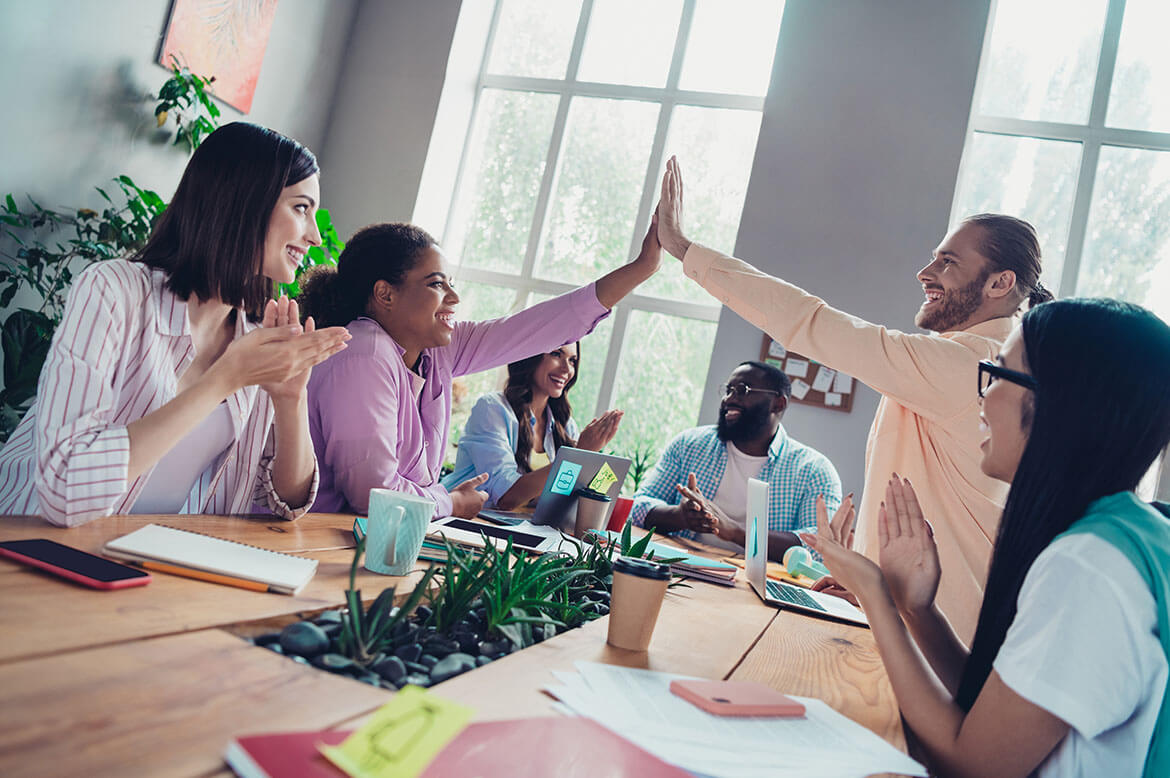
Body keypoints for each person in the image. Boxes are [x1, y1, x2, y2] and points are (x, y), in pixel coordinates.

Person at [656, 156, 1052, 641]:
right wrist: (864, 581)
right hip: (913, 623)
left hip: (938, 641)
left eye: (948, 262)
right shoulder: (973, 361)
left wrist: (683, 249)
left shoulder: (967, 364)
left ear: (1000, 283)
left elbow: (811, 322)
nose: (925, 272)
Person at [804, 298, 1170, 777]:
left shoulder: (1089, 565)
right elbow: (989, 715)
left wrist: (874, 594)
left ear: (1058, 403)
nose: (983, 396)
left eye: (998, 373)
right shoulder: (1126, 535)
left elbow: (974, 765)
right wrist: (917, 608)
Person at [0, 122, 351, 527]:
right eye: (301, 208)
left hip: (139, 559)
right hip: (26, 544)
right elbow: (64, 492)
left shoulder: (252, 337)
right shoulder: (114, 291)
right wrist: (223, 379)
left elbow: (284, 502)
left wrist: (291, 399)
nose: (314, 236)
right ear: (244, 201)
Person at [299, 216, 661, 518]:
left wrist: (643, 267)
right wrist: (450, 502)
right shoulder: (363, 350)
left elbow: (543, 325)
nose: (454, 298)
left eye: (450, 284)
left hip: (386, 538)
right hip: (320, 544)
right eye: (437, 284)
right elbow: (373, 495)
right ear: (385, 294)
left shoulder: (438, 352)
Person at [631, 360, 843, 562]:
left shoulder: (813, 470)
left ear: (778, 403)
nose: (729, 399)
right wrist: (679, 516)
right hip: (680, 567)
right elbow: (637, 506)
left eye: (742, 390)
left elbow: (819, 547)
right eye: (728, 390)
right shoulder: (689, 444)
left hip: (756, 588)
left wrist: (735, 532)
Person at [442, 343, 623, 510]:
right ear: (531, 353)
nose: (567, 369)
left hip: (522, 530)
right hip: (470, 525)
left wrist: (589, 462)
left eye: (572, 360)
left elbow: (559, 498)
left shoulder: (565, 425)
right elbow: (506, 497)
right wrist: (578, 454)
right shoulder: (492, 409)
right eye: (556, 354)